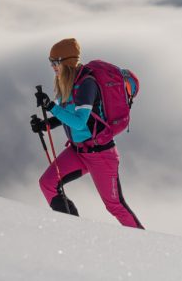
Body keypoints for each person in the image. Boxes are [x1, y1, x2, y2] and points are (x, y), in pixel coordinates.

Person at [31, 38, 143, 228]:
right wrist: (45, 125)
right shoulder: (69, 83)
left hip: (101, 154)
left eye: (55, 62)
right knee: (47, 184)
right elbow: (69, 115)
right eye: (50, 62)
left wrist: (50, 106)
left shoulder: (86, 85)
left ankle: (145, 243)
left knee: (114, 205)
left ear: (66, 62)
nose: (52, 66)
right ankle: (73, 230)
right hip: (79, 151)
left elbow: (79, 120)